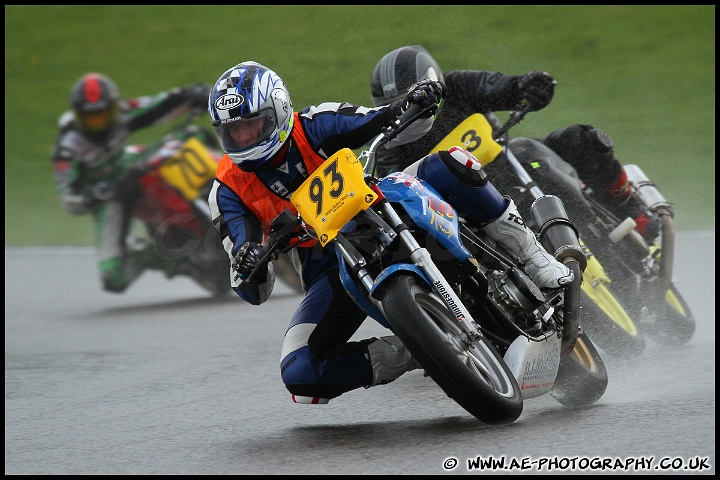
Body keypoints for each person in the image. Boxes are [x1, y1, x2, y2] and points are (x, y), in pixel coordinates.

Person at [207, 61, 572, 404]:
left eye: (251, 125)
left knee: (451, 162)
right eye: (232, 132)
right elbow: (250, 283)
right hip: (327, 262)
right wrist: (248, 259)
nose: (243, 139)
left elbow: (382, 119)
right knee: (300, 372)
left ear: (278, 110)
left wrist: (413, 101)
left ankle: (533, 256)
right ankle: (421, 349)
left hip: (380, 205)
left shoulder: (316, 123)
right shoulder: (226, 191)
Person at [369, 45, 661, 241]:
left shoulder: (457, 86)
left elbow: (506, 88)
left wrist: (530, 86)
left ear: (433, 82)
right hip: (474, 205)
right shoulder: (392, 142)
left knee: (583, 140)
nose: (413, 106)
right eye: (399, 104)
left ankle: (631, 209)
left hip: (513, 158)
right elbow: (396, 192)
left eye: (417, 95)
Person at [51, 72, 210, 293]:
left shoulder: (122, 113)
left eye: (103, 116)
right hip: (107, 195)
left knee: (193, 137)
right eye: (91, 119)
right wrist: (87, 196)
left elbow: (158, 104)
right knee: (114, 278)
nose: (99, 125)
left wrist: (193, 94)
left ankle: (235, 187)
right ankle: (160, 255)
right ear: (78, 117)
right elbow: (68, 194)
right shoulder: (67, 147)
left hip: (130, 166)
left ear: (114, 108)